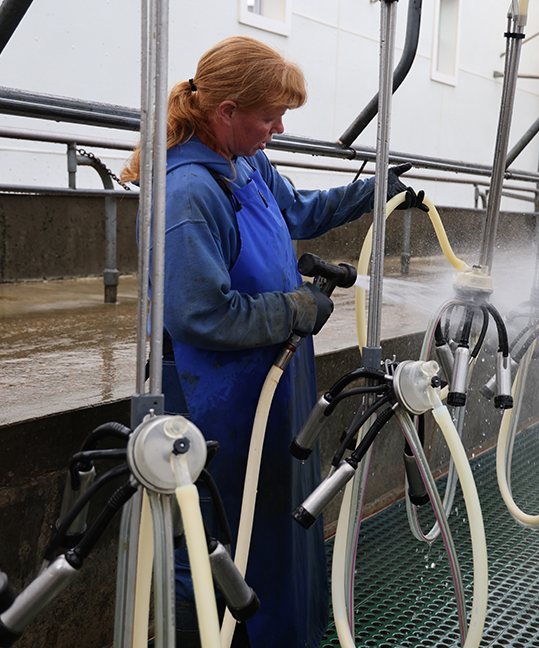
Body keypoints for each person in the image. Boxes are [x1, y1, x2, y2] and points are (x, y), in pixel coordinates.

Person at [121, 36, 420, 648]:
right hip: (212, 401)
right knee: (215, 547)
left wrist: (371, 191)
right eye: (269, 116)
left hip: (267, 384)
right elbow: (201, 315)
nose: (279, 128)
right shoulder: (188, 195)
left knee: (274, 531)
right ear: (226, 111)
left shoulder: (244, 161)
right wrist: (295, 307)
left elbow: (299, 213)